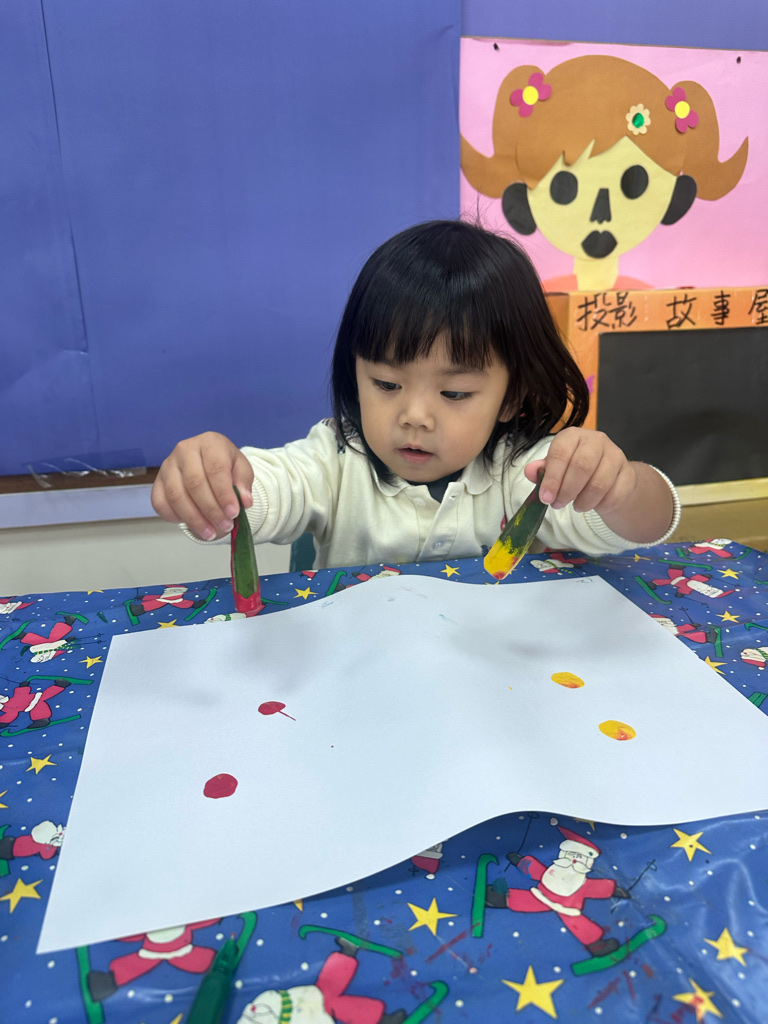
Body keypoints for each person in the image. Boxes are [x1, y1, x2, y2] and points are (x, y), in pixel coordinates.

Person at [151, 220, 679, 569]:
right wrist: (215, 484)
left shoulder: (526, 470)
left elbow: (641, 527)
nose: (415, 416)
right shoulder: (335, 460)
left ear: (512, 396)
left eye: (455, 392)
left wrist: (620, 488)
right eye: (386, 384)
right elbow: (266, 494)